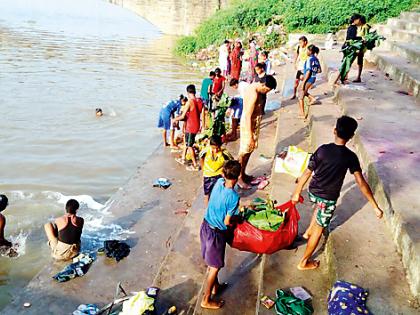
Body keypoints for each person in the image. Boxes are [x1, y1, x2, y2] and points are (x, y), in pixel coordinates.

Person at [291, 116, 383, 270]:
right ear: (351, 136)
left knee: (318, 207)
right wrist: (375, 206)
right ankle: (304, 262)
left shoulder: (322, 150)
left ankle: (307, 233)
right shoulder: (350, 157)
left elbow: (307, 172)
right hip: (328, 198)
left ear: (334, 130)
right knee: (319, 229)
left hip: (313, 192)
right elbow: (361, 182)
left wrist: (296, 192)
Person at [200, 160, 241, 309]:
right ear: (238, 176)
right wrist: (236, 222)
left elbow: (213, 201)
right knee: (214, 267)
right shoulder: (234, 197)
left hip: (205, 226)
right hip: (216, 234)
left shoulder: (218, 182)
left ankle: (216, 287)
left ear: (223, 174)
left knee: (211, 261)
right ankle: (206, 299)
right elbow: (227, 220)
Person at [238, 75, 277, 189]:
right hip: (248, 124)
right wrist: (250, 135)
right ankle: (239, 178)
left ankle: (243, 173)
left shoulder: (258, 90)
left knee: (250, 150)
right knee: (243, 152)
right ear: (263, 85)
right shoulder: (253, 92)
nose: (266, 92)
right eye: (266, 90)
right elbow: (247, 115)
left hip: (254, 123)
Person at [174, 84, 203, 171]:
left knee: (190, 145)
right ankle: (183, 159)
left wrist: (174, 119)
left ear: (187, 92)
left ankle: (195, 165)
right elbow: (202, 112)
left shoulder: (189, 102)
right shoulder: (199, 100)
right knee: (187, 143)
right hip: (197, 124)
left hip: (191, 126)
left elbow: (183, 116)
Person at [200, 135, 233, 206]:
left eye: (217, 148)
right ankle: (208, 210)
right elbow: (201, 158)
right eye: (213, 148)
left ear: (220, 145)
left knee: (220, 192)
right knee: (207, 193)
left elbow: (231, 163)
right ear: (210, 146)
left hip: (219, 175)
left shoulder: (225, 153)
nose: (215, 150)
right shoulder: (205, 151)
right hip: (207, 175)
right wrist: (203, 170)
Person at [334, 14, 363, 85]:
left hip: (346, 46)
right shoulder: (353, 28)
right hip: (349, 48)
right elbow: (352, 38)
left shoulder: (351, 27)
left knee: (346, 64)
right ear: (355, 20)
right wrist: (361, 39)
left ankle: (340, 79)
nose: (359, 21)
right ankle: (342, 79)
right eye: (359, 20)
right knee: (347, 64)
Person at [297, 44, 322, 119]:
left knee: (300, 95)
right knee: (301, 91)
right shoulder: (316, 59)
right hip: (313, 78)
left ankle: (302, 114)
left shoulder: (309, 59)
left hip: (309, 78)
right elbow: (320, 70)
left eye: (307, 50)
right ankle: (312, 98)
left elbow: (308, 72)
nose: (306, 52)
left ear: (310, 51)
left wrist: (304, 82)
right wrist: (314, 71)